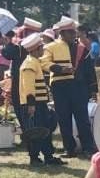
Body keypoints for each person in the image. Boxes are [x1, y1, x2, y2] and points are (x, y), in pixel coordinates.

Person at [43, 17, 98, 159]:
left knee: (82, 118)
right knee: (63, 118)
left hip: (79, 87)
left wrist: (93, 89)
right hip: (59, 86)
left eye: (74, 32)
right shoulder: (50, 47)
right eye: (71, 32)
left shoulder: (82, 48)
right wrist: (60, 69)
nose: (74, 35)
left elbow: (90, 70)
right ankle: (69, 148)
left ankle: (88, 148)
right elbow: (44, 63)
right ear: (62, 33)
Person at [17, 30, 65, 166]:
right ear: (35, 49)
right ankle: (34, 157)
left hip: (39, 103)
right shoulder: (29, 64)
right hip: (33, 104)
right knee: (35, 131)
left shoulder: (35, 62)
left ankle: (48, 156)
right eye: (41, 47)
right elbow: (29, 87)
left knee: (45, 130)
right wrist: (31, 105)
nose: (43, 49)